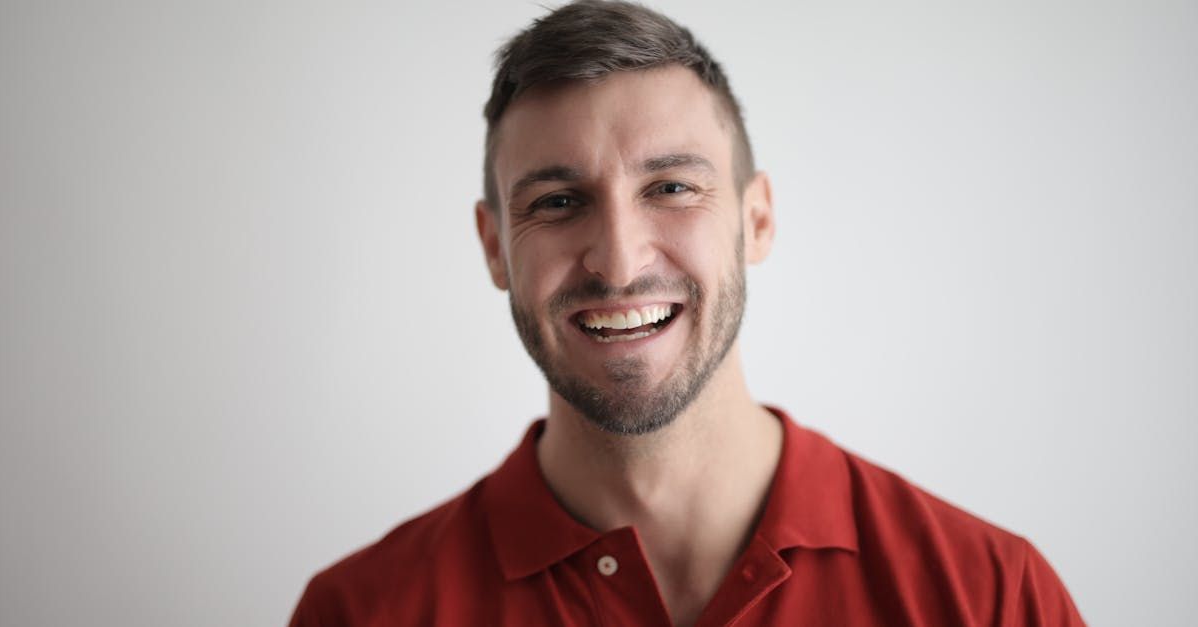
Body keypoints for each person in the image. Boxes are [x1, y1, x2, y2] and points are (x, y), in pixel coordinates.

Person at [288, 1, 1085, 625]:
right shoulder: (359, 612)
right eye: (559, 202)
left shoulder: (991, 598)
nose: (621, 260)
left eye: (670, 188)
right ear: (495, 247)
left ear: (757, 220)